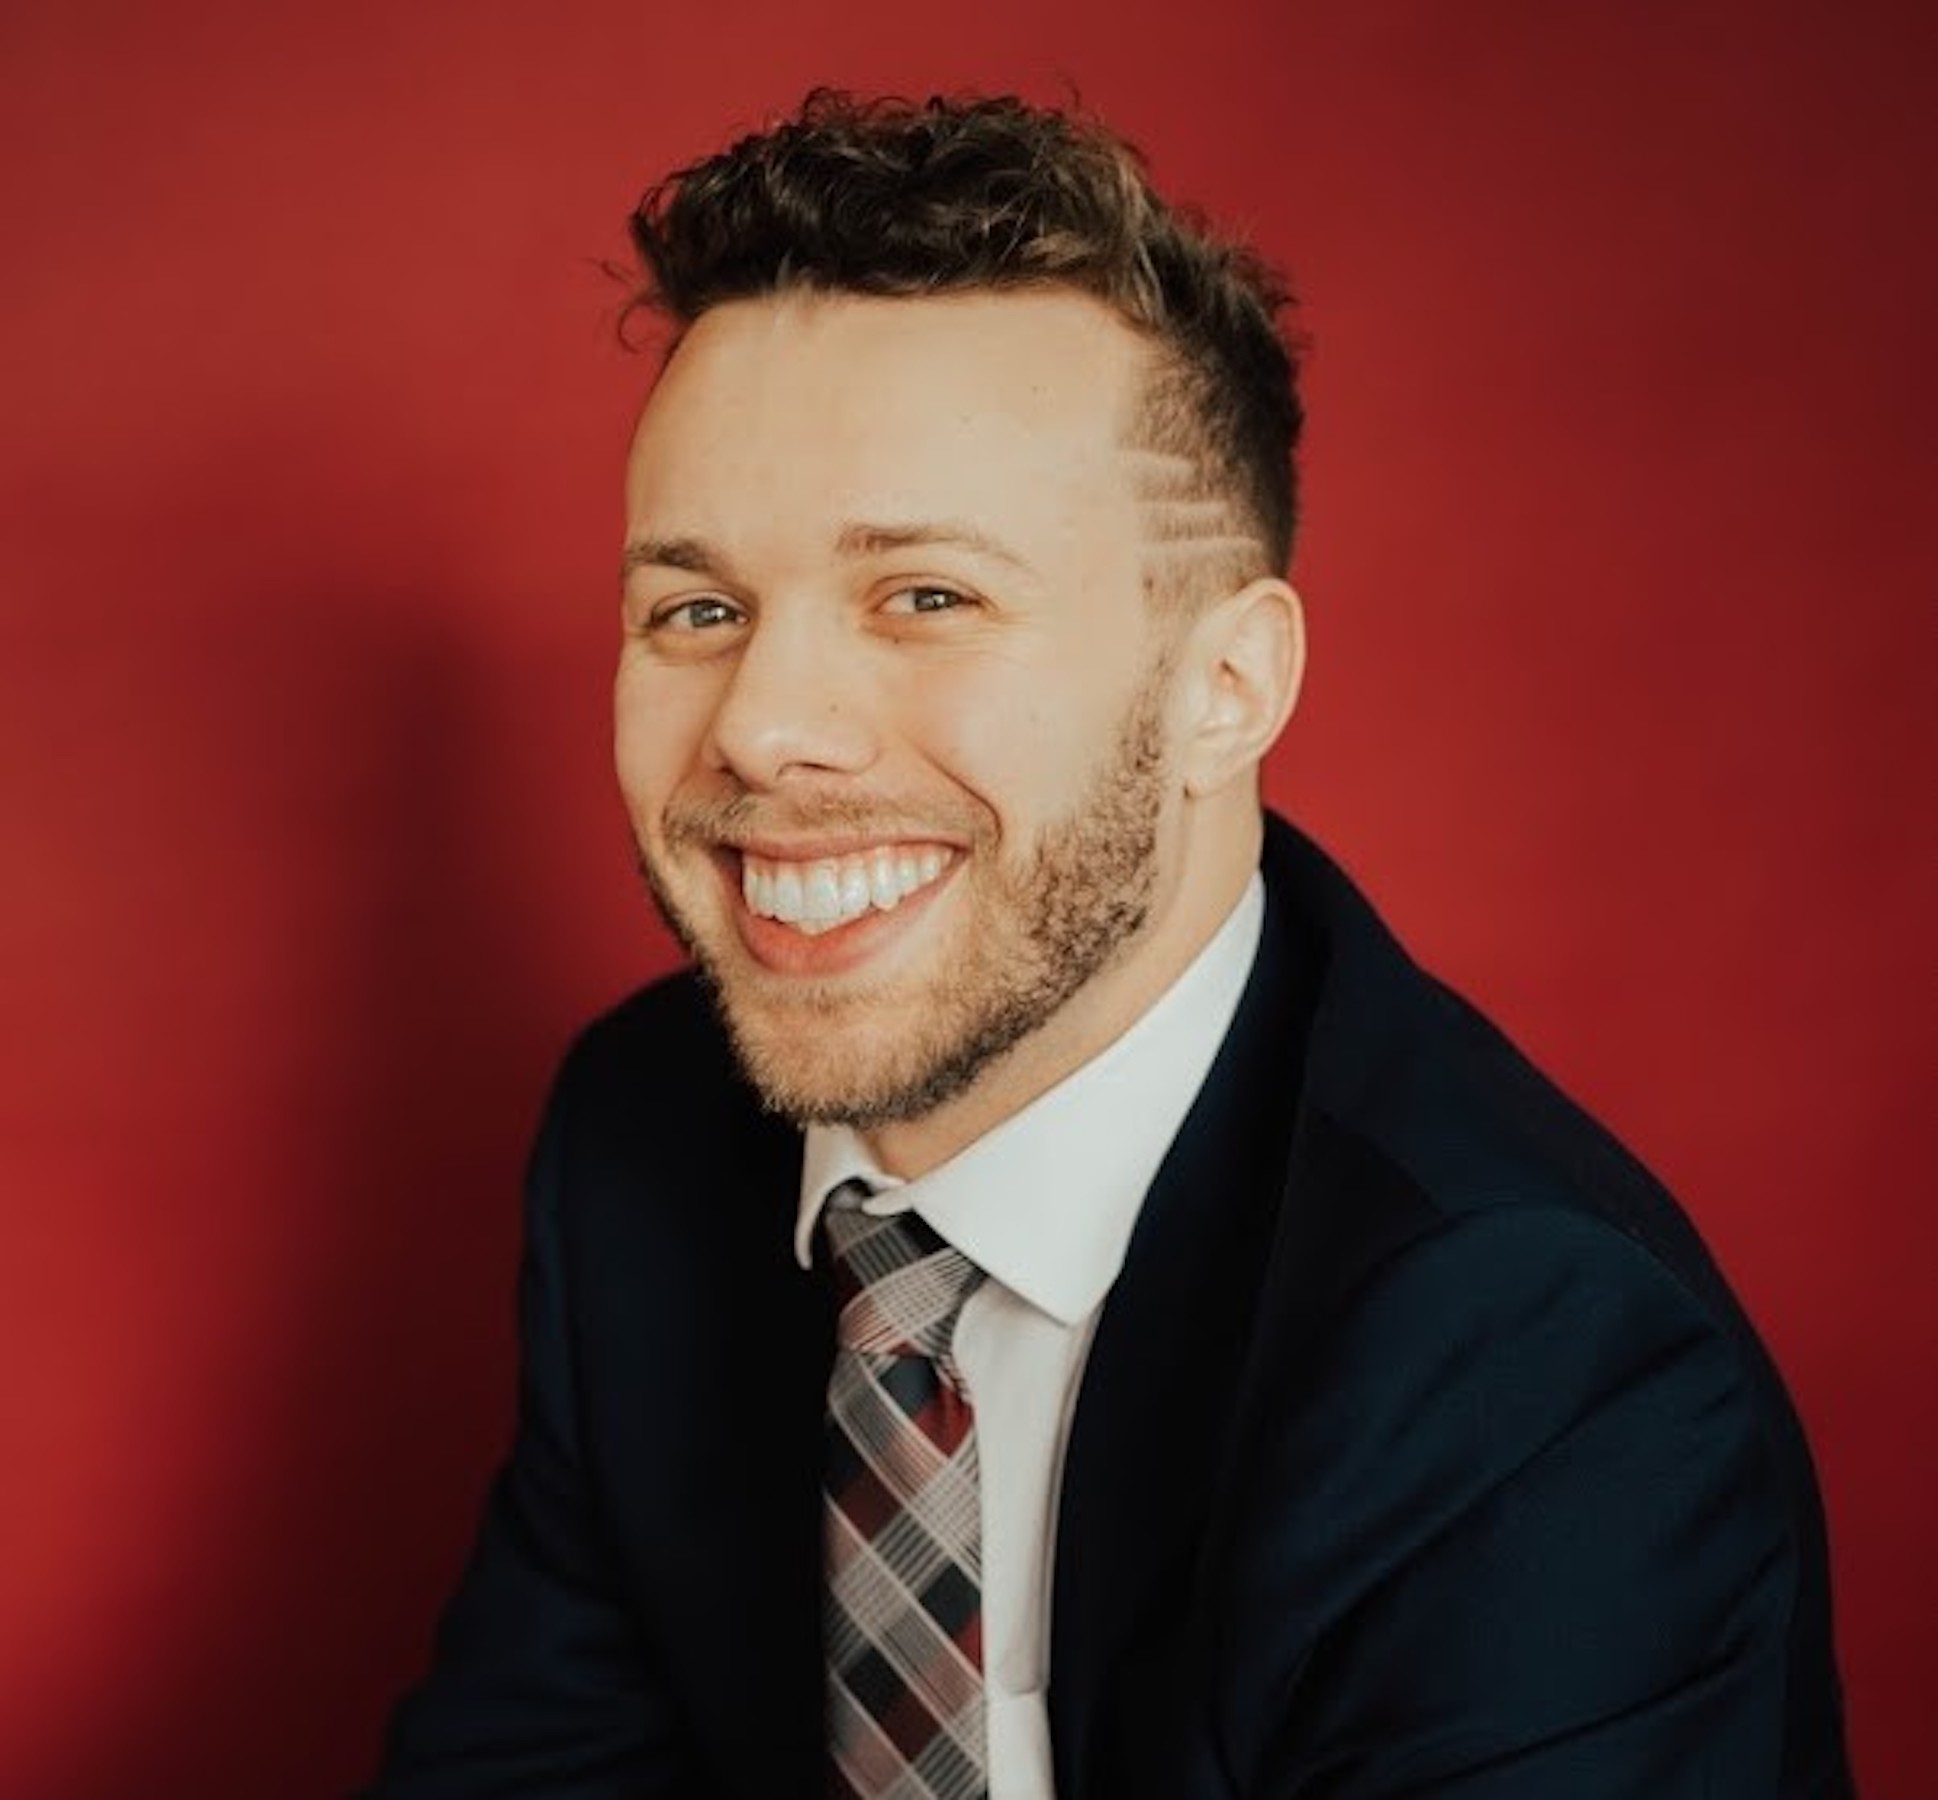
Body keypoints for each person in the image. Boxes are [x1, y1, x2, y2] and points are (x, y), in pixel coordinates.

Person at [365, 91, 1852, 1798]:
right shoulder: (639, 1138)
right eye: (695, 610)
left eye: (927, 597)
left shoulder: (1532, 1368)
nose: (764, 727)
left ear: (1224, 687)